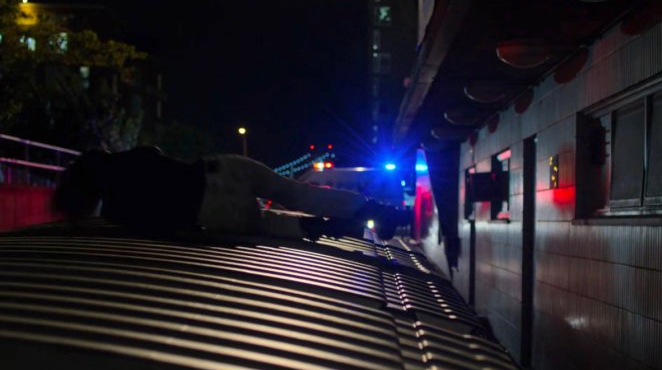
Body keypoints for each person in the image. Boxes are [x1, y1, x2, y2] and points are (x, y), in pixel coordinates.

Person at [52, 147, 408, 240]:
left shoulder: (117, 210)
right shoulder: (133, 157)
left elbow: (163, 228)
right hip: (221, 169)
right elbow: (159, 157)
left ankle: (327, 229)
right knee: (297, 192)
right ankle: (374, 210)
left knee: (268, 225)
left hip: (212, 209)